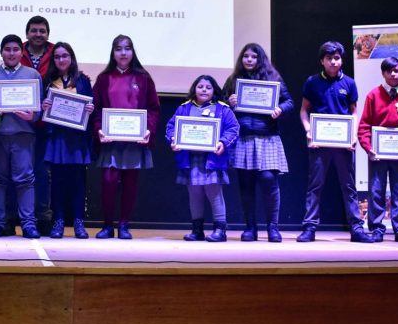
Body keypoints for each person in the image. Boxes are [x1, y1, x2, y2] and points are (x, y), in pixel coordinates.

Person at [298, 41, 374, 243]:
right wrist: (308, 132)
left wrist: (354, 135)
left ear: (341, 60)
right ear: (322, 61)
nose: (333, 61)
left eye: (337, 58)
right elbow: (304, 110)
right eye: (329, 58)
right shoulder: (312, 82)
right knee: (315, 187)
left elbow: (354, 112)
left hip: (344, 144)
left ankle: (357, 229)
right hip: (319, 144)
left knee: (349, 187)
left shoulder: (349, 83)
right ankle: (309, 228)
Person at [90, 34, 161, 239]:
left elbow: (154, 108)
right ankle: (107, 225)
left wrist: (149, 129)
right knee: (108, 181)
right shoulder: (104, 78)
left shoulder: (143, 77)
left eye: (127, 48)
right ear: (113, 53)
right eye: (119, 49)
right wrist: (98, 130)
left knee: (130, 183)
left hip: (134, 142)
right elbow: (96, 109)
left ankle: (123, 225)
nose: (123, 53)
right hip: (110, 141)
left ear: (132, 52)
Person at [223, 43, 293, 242]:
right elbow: (220, 102)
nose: (249, 60)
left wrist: (280, 109)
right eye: (246, 56)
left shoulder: (273, 77)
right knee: (245, 185)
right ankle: (250, 228)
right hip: (243, 138)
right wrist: (230, 102)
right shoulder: (233, 79)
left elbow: (289, 101)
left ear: (260, 59)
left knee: (269, 181)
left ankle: (273, 227)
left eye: (253, 57)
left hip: (267, 138)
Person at [0, 34, 43, 238]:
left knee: (25, 179)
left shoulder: (32, 74)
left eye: (15, 49)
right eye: (7, 49)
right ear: (1, 52)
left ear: (22, 52)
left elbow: (39, 110)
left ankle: (28, 224)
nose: (11, 53)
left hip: (23, 135)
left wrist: (32, 115)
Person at [166, 75, 239, 242]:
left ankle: (220, 230)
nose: (204, 90)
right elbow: (171, 127)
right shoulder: (184, 108)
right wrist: (173, 139)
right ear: (194, 89)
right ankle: (197, 230)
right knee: (194, 194)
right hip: (190, 160)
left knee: (214, 193)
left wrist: (223, 142)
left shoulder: (222, 108)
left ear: (214, 91)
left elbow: (233, 128)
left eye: (208, 87)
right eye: (200, 87)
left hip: (213, 160)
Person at [357, 57, 398, 243]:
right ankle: (377, 229)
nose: (393, 74)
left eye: (397, 70)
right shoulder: (373, 95)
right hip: (377, 154)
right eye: (389, 71)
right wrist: (368, 148)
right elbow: (364, 125)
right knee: (376, 191)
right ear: (383, 74)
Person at [39, 42, 94, 239]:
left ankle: (79, 221)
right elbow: (40, 110)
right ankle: (59, 221)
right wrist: (43, 105)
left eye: (65, 55)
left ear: (72, 58)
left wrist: (90, 110)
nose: (61, 60)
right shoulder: (48, 81)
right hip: (57, 138)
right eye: (57, 56)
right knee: (58, 182)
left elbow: (91, 107)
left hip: (77, 139)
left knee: (78, 182)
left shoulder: (83, 81)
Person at [21, 15, 55, 229]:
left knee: (43, 172)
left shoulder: (55, 53)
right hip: (20, 124)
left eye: (42, 31)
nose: (38, 35)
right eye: (34, 30)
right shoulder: (16, 51)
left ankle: (43, 216)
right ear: (27, 33)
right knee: (20, 173)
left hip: (46, 124)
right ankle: (20, 217)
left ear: (47, 34)